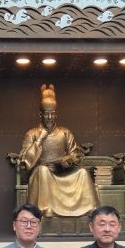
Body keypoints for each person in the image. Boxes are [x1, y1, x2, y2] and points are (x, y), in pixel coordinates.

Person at [18, 84, 99, 218]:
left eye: (52, 114)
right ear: (41, 115)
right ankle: (45, 207)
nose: (50, 117)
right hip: (41, 175)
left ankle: (90, 207)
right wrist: (40, 139)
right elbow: (26, 161)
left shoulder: (64, 132)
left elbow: (75, 154)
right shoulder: (32, 133)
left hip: (62, 171)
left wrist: (69, 160)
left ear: (56, 114)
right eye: (47, 114)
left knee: (83, 173)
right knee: (43, 170)